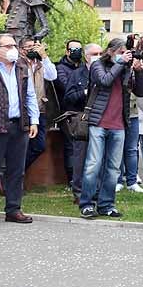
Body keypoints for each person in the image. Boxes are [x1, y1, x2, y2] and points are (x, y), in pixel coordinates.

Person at [78, 38, 143, 219]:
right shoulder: (97, 65)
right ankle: (86, 204)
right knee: (93, 165)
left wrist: (138, 71)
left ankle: (107, 204)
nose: (125, 55)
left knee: (113, 168)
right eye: (121, 52)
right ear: (111, 51)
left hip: (119, 125)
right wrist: (121, 63)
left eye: (126, 52)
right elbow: (104, 81)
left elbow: (140, 92)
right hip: (98, 122)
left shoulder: (126, 68)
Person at [0, 33, 39, 226]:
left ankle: (13, 209)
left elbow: (30, 96)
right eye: (8, 46)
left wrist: (34, 121)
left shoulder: (22, 68)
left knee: (17, 171)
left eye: (14, 45)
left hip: (19, 125)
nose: (13, 49)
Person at [63, 43, 102, 201]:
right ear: (86, 56)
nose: (98, 57)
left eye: (100, 53)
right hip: (83, 120)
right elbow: (68, 98)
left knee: (98, 157)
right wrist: (84, 92)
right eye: (95, 54)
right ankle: (79, 192)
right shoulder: (77, 74)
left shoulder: (104, 73)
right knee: (81, 157)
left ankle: (96, 191)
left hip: (101, 119)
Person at [20, 38, 58, 170]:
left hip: (39, 110)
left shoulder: (41, 64)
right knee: (21, 146)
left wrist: (44, 56)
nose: (32, 49)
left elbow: (52, 76)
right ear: (21, 50)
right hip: (23, 111)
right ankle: (14, 177)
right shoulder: (18, 64)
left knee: (39, 146)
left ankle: (15, 173)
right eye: (29, 47)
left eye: (35, 46)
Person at [55, 39, 84, 186]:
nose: (76, 52)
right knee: (71, 147)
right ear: (67, 52)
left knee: (82, 147)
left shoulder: (84, 67)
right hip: (68, 113)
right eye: (73, 49)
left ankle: (81, 178)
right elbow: (66, 87)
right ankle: (72, 179)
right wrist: (83, 90)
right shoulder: (60, 68)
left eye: (79, 49)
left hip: (83, 112)